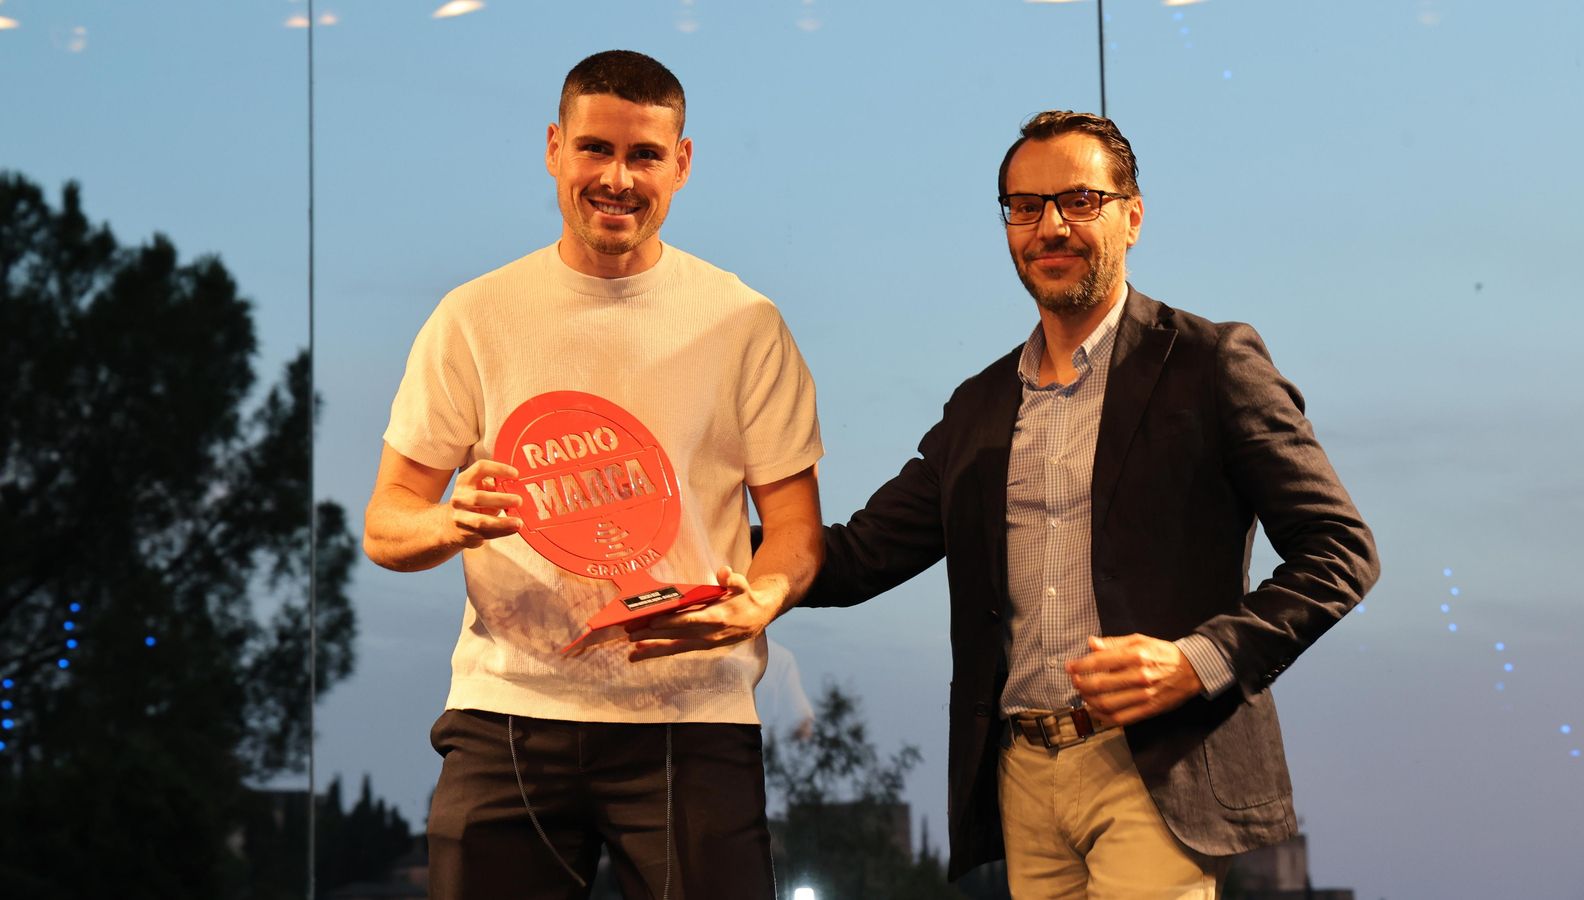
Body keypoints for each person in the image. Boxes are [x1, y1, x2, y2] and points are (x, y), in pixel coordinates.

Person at [630, 110, 1378, 899]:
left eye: (1079, 201)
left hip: (1157, 767)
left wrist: (1195, 663)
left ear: (1132, 216)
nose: (1050, 226)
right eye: (1025, 207)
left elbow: (1340, 551)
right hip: (1023, 777)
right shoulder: (980, 407)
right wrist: (683, 548)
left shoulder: (1210, 363)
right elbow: (856, 555)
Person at [362, 49, 823, 900]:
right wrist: (450, 520)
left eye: (644, 155)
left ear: (681, 163)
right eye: (595, 149)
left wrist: (760, 599)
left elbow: (796, 528)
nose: (617, 178)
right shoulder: (473, 316)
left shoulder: (745, 323)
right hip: (508, 714)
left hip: (693, 715)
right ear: (554, 148)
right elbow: (387, 523)